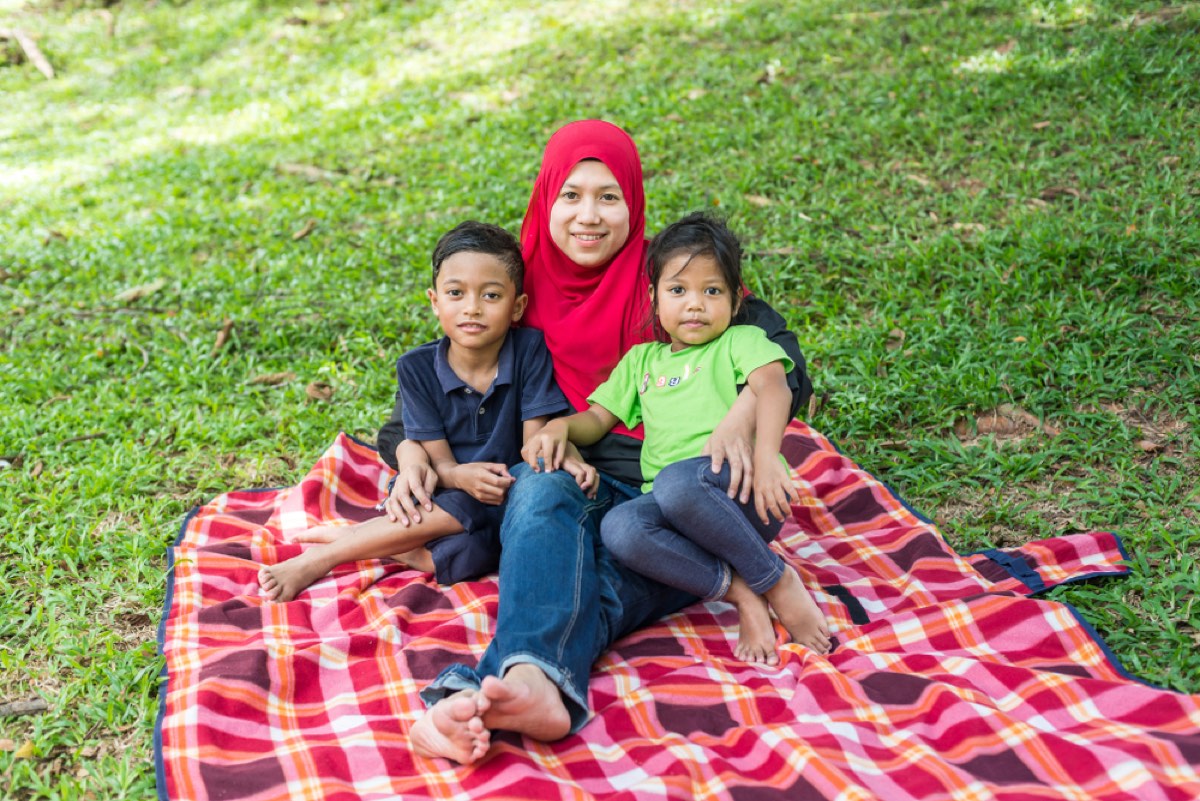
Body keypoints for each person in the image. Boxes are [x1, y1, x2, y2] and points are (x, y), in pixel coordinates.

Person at [375, 120, 813, 764]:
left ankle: (493, 689)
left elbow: (784, 362)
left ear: (633, 202)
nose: (589, 216)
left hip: (685, 491)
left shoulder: (675, 276)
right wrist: (409, 451)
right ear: (545, 198)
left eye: (609, 196)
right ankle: (524, 687)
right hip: (574, 478)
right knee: (543, 496)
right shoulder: (515, 289)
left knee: (603, 564)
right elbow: (430, 393)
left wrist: (741, 410)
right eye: (570, 195)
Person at [522, 212, 830, 666]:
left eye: (712, 291)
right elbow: (599, 417)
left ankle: (776, 580)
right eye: (678, 290)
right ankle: (743, 591)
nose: (695, 305)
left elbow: (774, 385)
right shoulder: (642, 360)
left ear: (733, 297)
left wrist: (766, 459)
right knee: (621, 527)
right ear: (654, 297)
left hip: (740, 496)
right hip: (670, 508)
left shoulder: (740, 341)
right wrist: (560, 427)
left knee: (676, 483)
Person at [257, 221, 576, 603]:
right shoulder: (417, 367)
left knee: (473, 555)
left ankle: (370, 539)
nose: (472, 308)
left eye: (491, 295)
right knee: (460, 509)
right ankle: (323, 558)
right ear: (434, 300)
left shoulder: (529, 351)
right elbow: (436, 459)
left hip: (502, 491)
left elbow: (531, 449)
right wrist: (458, 476)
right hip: (436, 485)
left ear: (517, 306)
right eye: (455, 293)